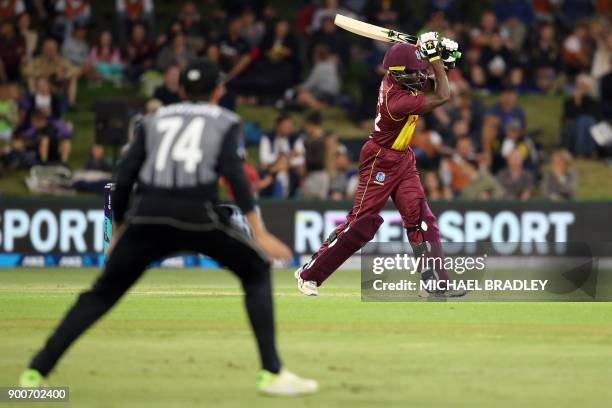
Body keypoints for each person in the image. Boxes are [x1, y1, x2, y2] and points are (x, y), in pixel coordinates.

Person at [19, 60, 318, 396]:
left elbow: (123, 177)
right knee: (256, 271)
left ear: (180, 90)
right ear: (218, 91)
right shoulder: (226, 120)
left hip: (147, 215)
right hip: (197, 213)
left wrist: (117, 231)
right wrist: (259, 232)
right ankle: (271, 374)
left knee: (100, 295)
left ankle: (34, 373)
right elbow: (234, 174)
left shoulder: (153, 120)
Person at [295, 34, 466, 297]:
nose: (420, 77)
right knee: (361, 224)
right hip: (380, 159)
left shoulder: (401, 78)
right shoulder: (396, 101)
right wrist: (436, 60)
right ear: (398, 75)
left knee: (421, 219)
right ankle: (309, 273)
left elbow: (431, 80)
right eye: (414, 72)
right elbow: (442, 94)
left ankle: (435, 283)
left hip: (403, 158)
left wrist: (444, 61)